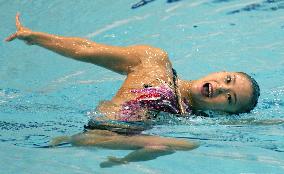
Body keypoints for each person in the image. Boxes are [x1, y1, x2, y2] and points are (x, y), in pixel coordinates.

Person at [6, 13, 260, 167]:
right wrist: (36, 38)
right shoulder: (153, 62)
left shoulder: (192, 119)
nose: (220, 89)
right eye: (227, 79)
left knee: (183, 144)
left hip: (112, 139)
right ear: (219, 70)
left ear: (225, 114)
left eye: (229, 99)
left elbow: (255, 127)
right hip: (97, 130)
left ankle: (129, 155)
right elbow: (87, 49)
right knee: (180, 144)